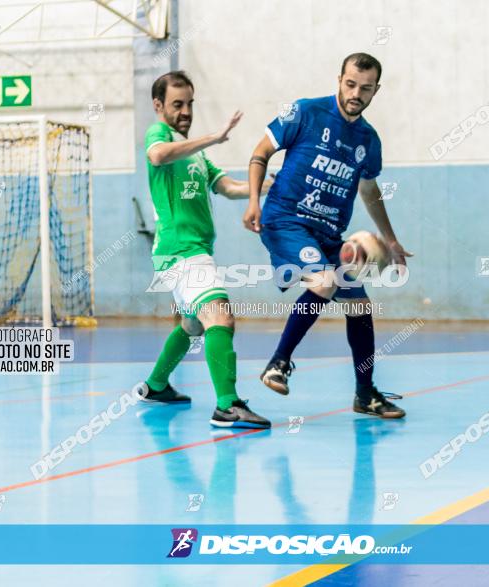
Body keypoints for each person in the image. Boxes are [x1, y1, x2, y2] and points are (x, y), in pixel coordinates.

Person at [243, 53, 412, 419]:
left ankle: (365, 395)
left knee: (359, 306)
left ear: (375, 91)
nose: (356, 93)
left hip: (329, 235)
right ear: (339, 79)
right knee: (323, 281)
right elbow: (260, 153)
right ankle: (278, 363)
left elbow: (369, 191)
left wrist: (391, 239)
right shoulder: (305, 112)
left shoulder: (368, 139)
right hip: (286, 220)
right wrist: (255, 201)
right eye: (350, 84)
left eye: (365, 88)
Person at [135, 70, 272, 429]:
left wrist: (269, 186)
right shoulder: (160, 134)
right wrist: (213, 137)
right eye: (177, 104)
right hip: (180, 250)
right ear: (158, 105)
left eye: (189, 104)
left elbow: (228, 187)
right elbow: (158, 156)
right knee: (220, 314)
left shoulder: (197, 156)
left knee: (193, 324)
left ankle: (155, 386)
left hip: (194, 250)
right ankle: (227, 405)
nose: (185, 111)